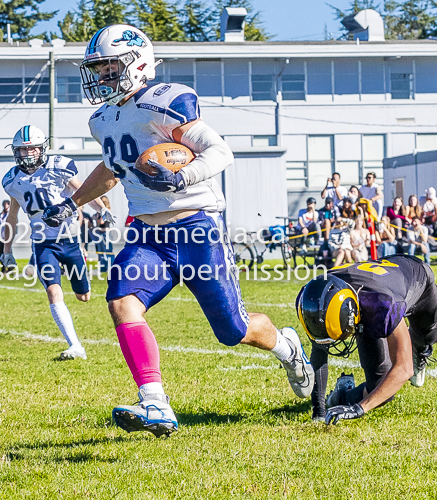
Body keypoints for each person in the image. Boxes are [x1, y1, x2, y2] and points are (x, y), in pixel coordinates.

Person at [42, 24, 314, 437]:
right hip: (146, 233)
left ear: (138, 63)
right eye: (97, 70)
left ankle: (286, 345)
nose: (101, 78)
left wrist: (181, 177)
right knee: (121, 303)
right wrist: (71, 203)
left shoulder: (165, 101)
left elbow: (220, 151)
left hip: (196, 227)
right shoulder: (102, 119)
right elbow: (113, 170)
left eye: (110, 68)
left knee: (233, 330)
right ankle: (156, 402)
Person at [2, 125, 112, 360]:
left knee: (83, 296)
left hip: (71, 242)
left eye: (32, 149)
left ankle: (83, 280)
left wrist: (102, 210)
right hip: (43, 244)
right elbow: (12, 217)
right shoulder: (13, 180)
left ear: (42, 149)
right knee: (53, 292)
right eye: (22, 150)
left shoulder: (58, 168)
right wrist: (6, 250)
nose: (27, 155)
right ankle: (75, 346)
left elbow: (84, 192)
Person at [297, 255, 437, 424]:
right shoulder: (313, 297)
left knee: (428, 334)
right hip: (370, 293)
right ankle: (341, 395)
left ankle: (419, 351)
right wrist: (319, 412)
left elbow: (403, 368)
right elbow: (319, 348)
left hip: (419, 280)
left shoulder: (382, 304)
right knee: (380, 388)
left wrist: (360, 408)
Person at [93, 196, 114, 273]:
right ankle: (103, 268)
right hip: (100, 232)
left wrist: (97, 220)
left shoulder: (107, 211)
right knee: (100, 251)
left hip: (106, 233)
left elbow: (101, 222)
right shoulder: (100, 212)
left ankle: (111, 267)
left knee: (108, 251)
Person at [0, 200, 11, 273]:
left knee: (7, 254)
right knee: (1, 254)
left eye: (7, 205)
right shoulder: (1, 214)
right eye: (5, 205)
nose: (6, 207)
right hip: (0, 238)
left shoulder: (10, 215)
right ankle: (3, 270)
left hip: (7, 238)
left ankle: (10, 269)